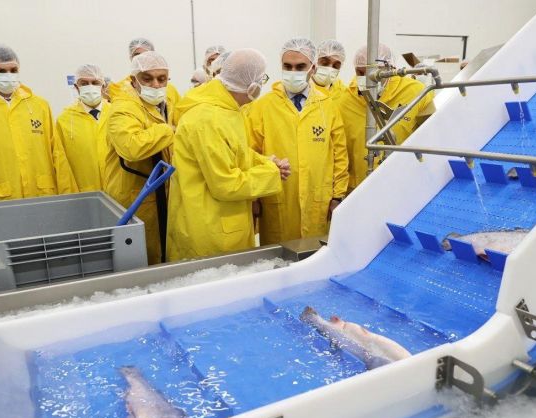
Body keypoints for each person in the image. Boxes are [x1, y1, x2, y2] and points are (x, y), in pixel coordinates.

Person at [167, 49, 290, 261]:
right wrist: (271, 173)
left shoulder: (225, 109)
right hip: (209, 230)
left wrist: (265, 162)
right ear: (253, 87)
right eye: (262, 79)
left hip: (224, 222)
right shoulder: (208, 119)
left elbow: (234, 150)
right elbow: (225, 183)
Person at [244, 37, 348, 246]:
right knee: (277, 257)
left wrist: (338, 196)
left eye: (300, 66)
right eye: (287, 66)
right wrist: (253, 198)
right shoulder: (263, 106)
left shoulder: (327, 106)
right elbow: (250, 153)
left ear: (313, 68)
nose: (293, 71)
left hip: (317, 200)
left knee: (314, 255)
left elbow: (339, 154)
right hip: (277, 198)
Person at [0, 43, 77, 204]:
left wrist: (69, 199)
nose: (8, 75)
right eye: (1, 71)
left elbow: (57, 153)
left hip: (44, 197)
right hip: (2, 201)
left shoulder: (39, 105)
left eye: (13, 70)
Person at [105, 51, 176, 264]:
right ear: (134, 80)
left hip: (160, 192)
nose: (156, 84)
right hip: (134, 196)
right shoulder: (123, 108)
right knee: (140, 258)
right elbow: (131, 147)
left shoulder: (166, 102)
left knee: (161, 252)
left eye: (161, 79)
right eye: (147, 78)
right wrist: (167, 130)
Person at [337, 43, 435, 194]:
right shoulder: (345, 100)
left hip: (401, 186)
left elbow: (432, 139)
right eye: (360, 72)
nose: (366, 79)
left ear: (389, 69)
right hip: (356, 189)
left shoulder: (417, 93)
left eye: (373, 74)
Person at [54, 64, 110, 192]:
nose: (90, 87)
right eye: (84, 83)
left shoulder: (116, 113)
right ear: (76, 87)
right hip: (85, 193)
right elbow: (62, 163)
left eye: (95, 82)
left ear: (103, 86)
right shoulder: (65, 120)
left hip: (118, 193)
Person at [109, 37, 181, 106]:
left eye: (146, 55)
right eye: (137, 55)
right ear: (131, 57)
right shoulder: (119, 88)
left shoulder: (170, 89)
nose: (141, 58)